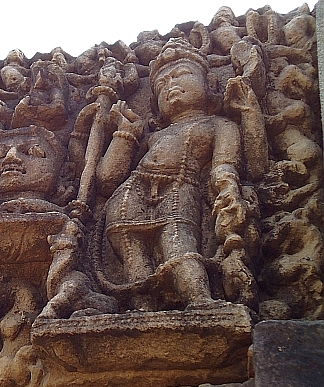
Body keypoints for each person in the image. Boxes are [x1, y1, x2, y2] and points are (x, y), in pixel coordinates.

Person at [97, 38, 249, 310]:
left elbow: (225, 165)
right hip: (130, 195)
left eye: (181, 74)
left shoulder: (219, 125)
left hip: (179, 190)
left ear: (209, 83)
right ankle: (142, 310)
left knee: (178, 246)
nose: (171, 85)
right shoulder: (153, 136)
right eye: (161, 84)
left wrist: (228, 188)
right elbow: (107, 179)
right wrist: (125, 134)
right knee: (133, 254)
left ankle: (200, 300)